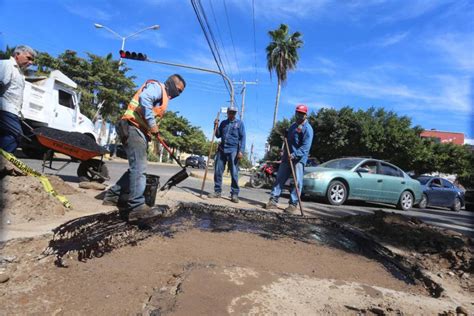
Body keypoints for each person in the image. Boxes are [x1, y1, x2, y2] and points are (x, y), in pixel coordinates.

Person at [103, 74, 186, 222]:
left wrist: (151, 129)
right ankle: (136, 207)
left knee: (136, 168)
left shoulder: (163, 95)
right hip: (132, 127)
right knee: (139, 168)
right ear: (172, 85)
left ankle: (112, 196)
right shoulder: (158, 88)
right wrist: (152, 125)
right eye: (178, 90)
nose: (178, 94)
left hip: (137, 129)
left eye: (181, 93)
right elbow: (145, 98)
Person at [265, 104, 314, 213]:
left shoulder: (308, 129)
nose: (299, 116)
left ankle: (293, 204)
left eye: (302, 114)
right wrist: (285, 152)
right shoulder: (292, 126)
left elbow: (306, 147)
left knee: (297, 182)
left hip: (298, 159)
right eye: (298, 113)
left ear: (306, 115)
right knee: (279, 179)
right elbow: (288, 141)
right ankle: (273, 200)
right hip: (287, 158)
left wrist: (295, 154)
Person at [0, 45, 37, 153]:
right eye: (28, 58)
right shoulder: (6, 65)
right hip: (4, 109)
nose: (31, 62)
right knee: (17, 134)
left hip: (13, 111)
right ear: (17, 55)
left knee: (8, 137)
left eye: (32, 60)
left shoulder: (19, 73)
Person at [208, 106, 246, 203]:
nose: (232, 114)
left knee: (234, 172)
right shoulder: (223, 123)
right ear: (228, 112)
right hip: (222, 149)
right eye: (230, 112)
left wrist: (241, 151)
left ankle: (234, 194)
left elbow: (243, 138)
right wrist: (215, 126)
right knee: (218, 171)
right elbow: (218, 135)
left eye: (233, 112)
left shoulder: (239, 123)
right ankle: (217, 192)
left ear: (235, 113)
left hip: (233, 150)